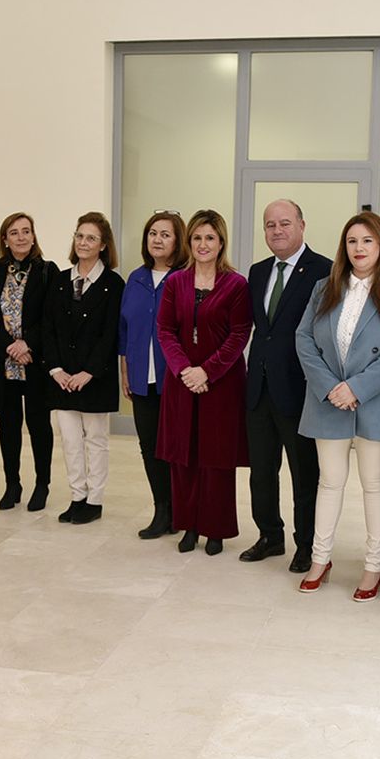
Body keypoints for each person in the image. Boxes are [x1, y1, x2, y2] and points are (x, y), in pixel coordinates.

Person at [293, 212, 380, 600]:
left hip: (376, 400)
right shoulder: (324, 287)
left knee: (374, 484)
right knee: (328, 482)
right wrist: (332, 387)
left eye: (366, 241)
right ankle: (320, 559)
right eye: (352, 241)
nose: (359, 248)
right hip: (327, 399)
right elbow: (303, 339)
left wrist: (357, 388)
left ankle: (373, 565)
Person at [241, 200, 333, 572]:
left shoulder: (324, 270)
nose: (277, 231)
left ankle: (306, 545)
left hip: (299, 390)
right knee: (261, 471)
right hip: (258, 387)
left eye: (284, 223)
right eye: (269, 225)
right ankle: (269, 535)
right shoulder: (257, 271)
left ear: (301, 225)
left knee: (303, 474)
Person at [156, 209, 251, 555]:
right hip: (181, 383)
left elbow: (239, 334)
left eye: (209, 237)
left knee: (216, 459)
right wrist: (185, 370)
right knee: (185, 457)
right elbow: (165, 330)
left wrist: (206, 372)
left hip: (221, 384)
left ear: (221, 241)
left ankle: (216, 529)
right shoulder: (175, 282)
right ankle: (189, 526)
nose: (202, 244)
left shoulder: (237, 284)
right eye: (196, 238)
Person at [42, 212, 124, 525]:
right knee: (70, 440)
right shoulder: (61, 281)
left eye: (91, 238)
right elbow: (47, 327)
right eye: (79, 236)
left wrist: (89, 372)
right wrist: (56, 369)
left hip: (94, 377)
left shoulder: (113, 284)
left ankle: (95, 499)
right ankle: (77, 495)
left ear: (103, 245)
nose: (83, 243)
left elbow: (111, 332)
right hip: (62, 377)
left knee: (96, 440)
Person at [0, 212, 57, 512]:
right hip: (3, 361)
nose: (21, 237)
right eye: (14, 232)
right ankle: (12, 483)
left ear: (34, 236)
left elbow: (50, 317)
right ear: (5, 239)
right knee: (8, 425)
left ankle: (42, 485)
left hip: (35, 362)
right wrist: (10, 346)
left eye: (26, 231)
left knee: (39, 424)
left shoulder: (48, 272)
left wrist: (28, 344)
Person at [120, 211, 186, 538]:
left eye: (165, 234)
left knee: (173, 448)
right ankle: (162, 510)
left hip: (173, 380)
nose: (157, 240)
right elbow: (124, 330)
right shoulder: (136, 278)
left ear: (178, 241)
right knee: (149, 446)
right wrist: (125, 372)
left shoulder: (184, 278)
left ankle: (181, 510)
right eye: (152, 234)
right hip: (140, 378)